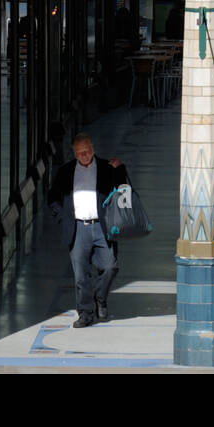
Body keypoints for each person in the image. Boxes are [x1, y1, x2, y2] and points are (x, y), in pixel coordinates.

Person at [46, 132, 128, 327]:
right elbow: (52, 197)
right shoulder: (66, 171)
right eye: (80, 153)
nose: (84, 156)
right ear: (74, 154)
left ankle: (100, 299)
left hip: (101, 226)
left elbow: (123, 189)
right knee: (81, 275)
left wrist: (120, 169)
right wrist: (62, 218)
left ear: (93, 150)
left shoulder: (106, 168)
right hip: (78, 228)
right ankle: (85, 313)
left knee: (110, 266)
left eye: (87, 151)